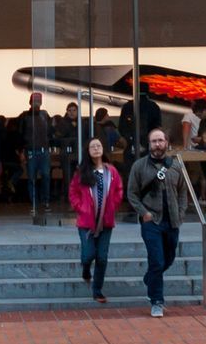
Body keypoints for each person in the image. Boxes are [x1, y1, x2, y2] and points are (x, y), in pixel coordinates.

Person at [125, 127, 186, 318]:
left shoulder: (176, 166)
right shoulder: (139, 166)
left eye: (160, 140)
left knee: (168, 259)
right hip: (151, 221)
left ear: (166, 143)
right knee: (157, 260)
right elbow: (132, 194)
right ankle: (157, 301)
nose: (157, 144)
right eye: (154, 141)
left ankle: (149, 279)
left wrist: (181, 213)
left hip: (172, 221)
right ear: (149, 144)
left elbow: (183, 192)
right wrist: (143, 213)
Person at [68, 136, 122, 302]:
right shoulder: (81, 172)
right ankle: (85, 268)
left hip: (106, 221)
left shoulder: (111, 171)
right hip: (86, 222)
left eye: (99, 145)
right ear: (88, 151)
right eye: (93, 147)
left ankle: (97, 290)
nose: (96, 149)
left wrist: (112, 205)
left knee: (102, 257)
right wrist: (81, 208)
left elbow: (119, 190)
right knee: (88, 255)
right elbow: (73, 192)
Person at [18, 92, 54, 215]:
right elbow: (20, 135)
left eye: (38, 101)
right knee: (32, 178)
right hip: (31, 151)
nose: (37, 103)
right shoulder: (24, 116)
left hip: (43, 151)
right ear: (30, 102)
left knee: (46, 176)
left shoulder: (45, 115)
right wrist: (21, 151)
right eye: (34, 101)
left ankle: (45, 201)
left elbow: (50, 132)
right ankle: (34, 202)